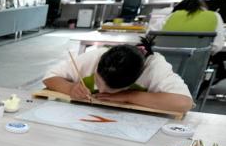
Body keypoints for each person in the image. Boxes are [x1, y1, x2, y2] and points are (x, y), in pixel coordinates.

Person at [43, 37, 194, 113]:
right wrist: (70, 88)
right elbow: (50, 76)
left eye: (112, 91)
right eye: (98, 82)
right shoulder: (96, 56)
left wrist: (129, 96)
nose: (101, 91)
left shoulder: (154, 67)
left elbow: (184, 103)